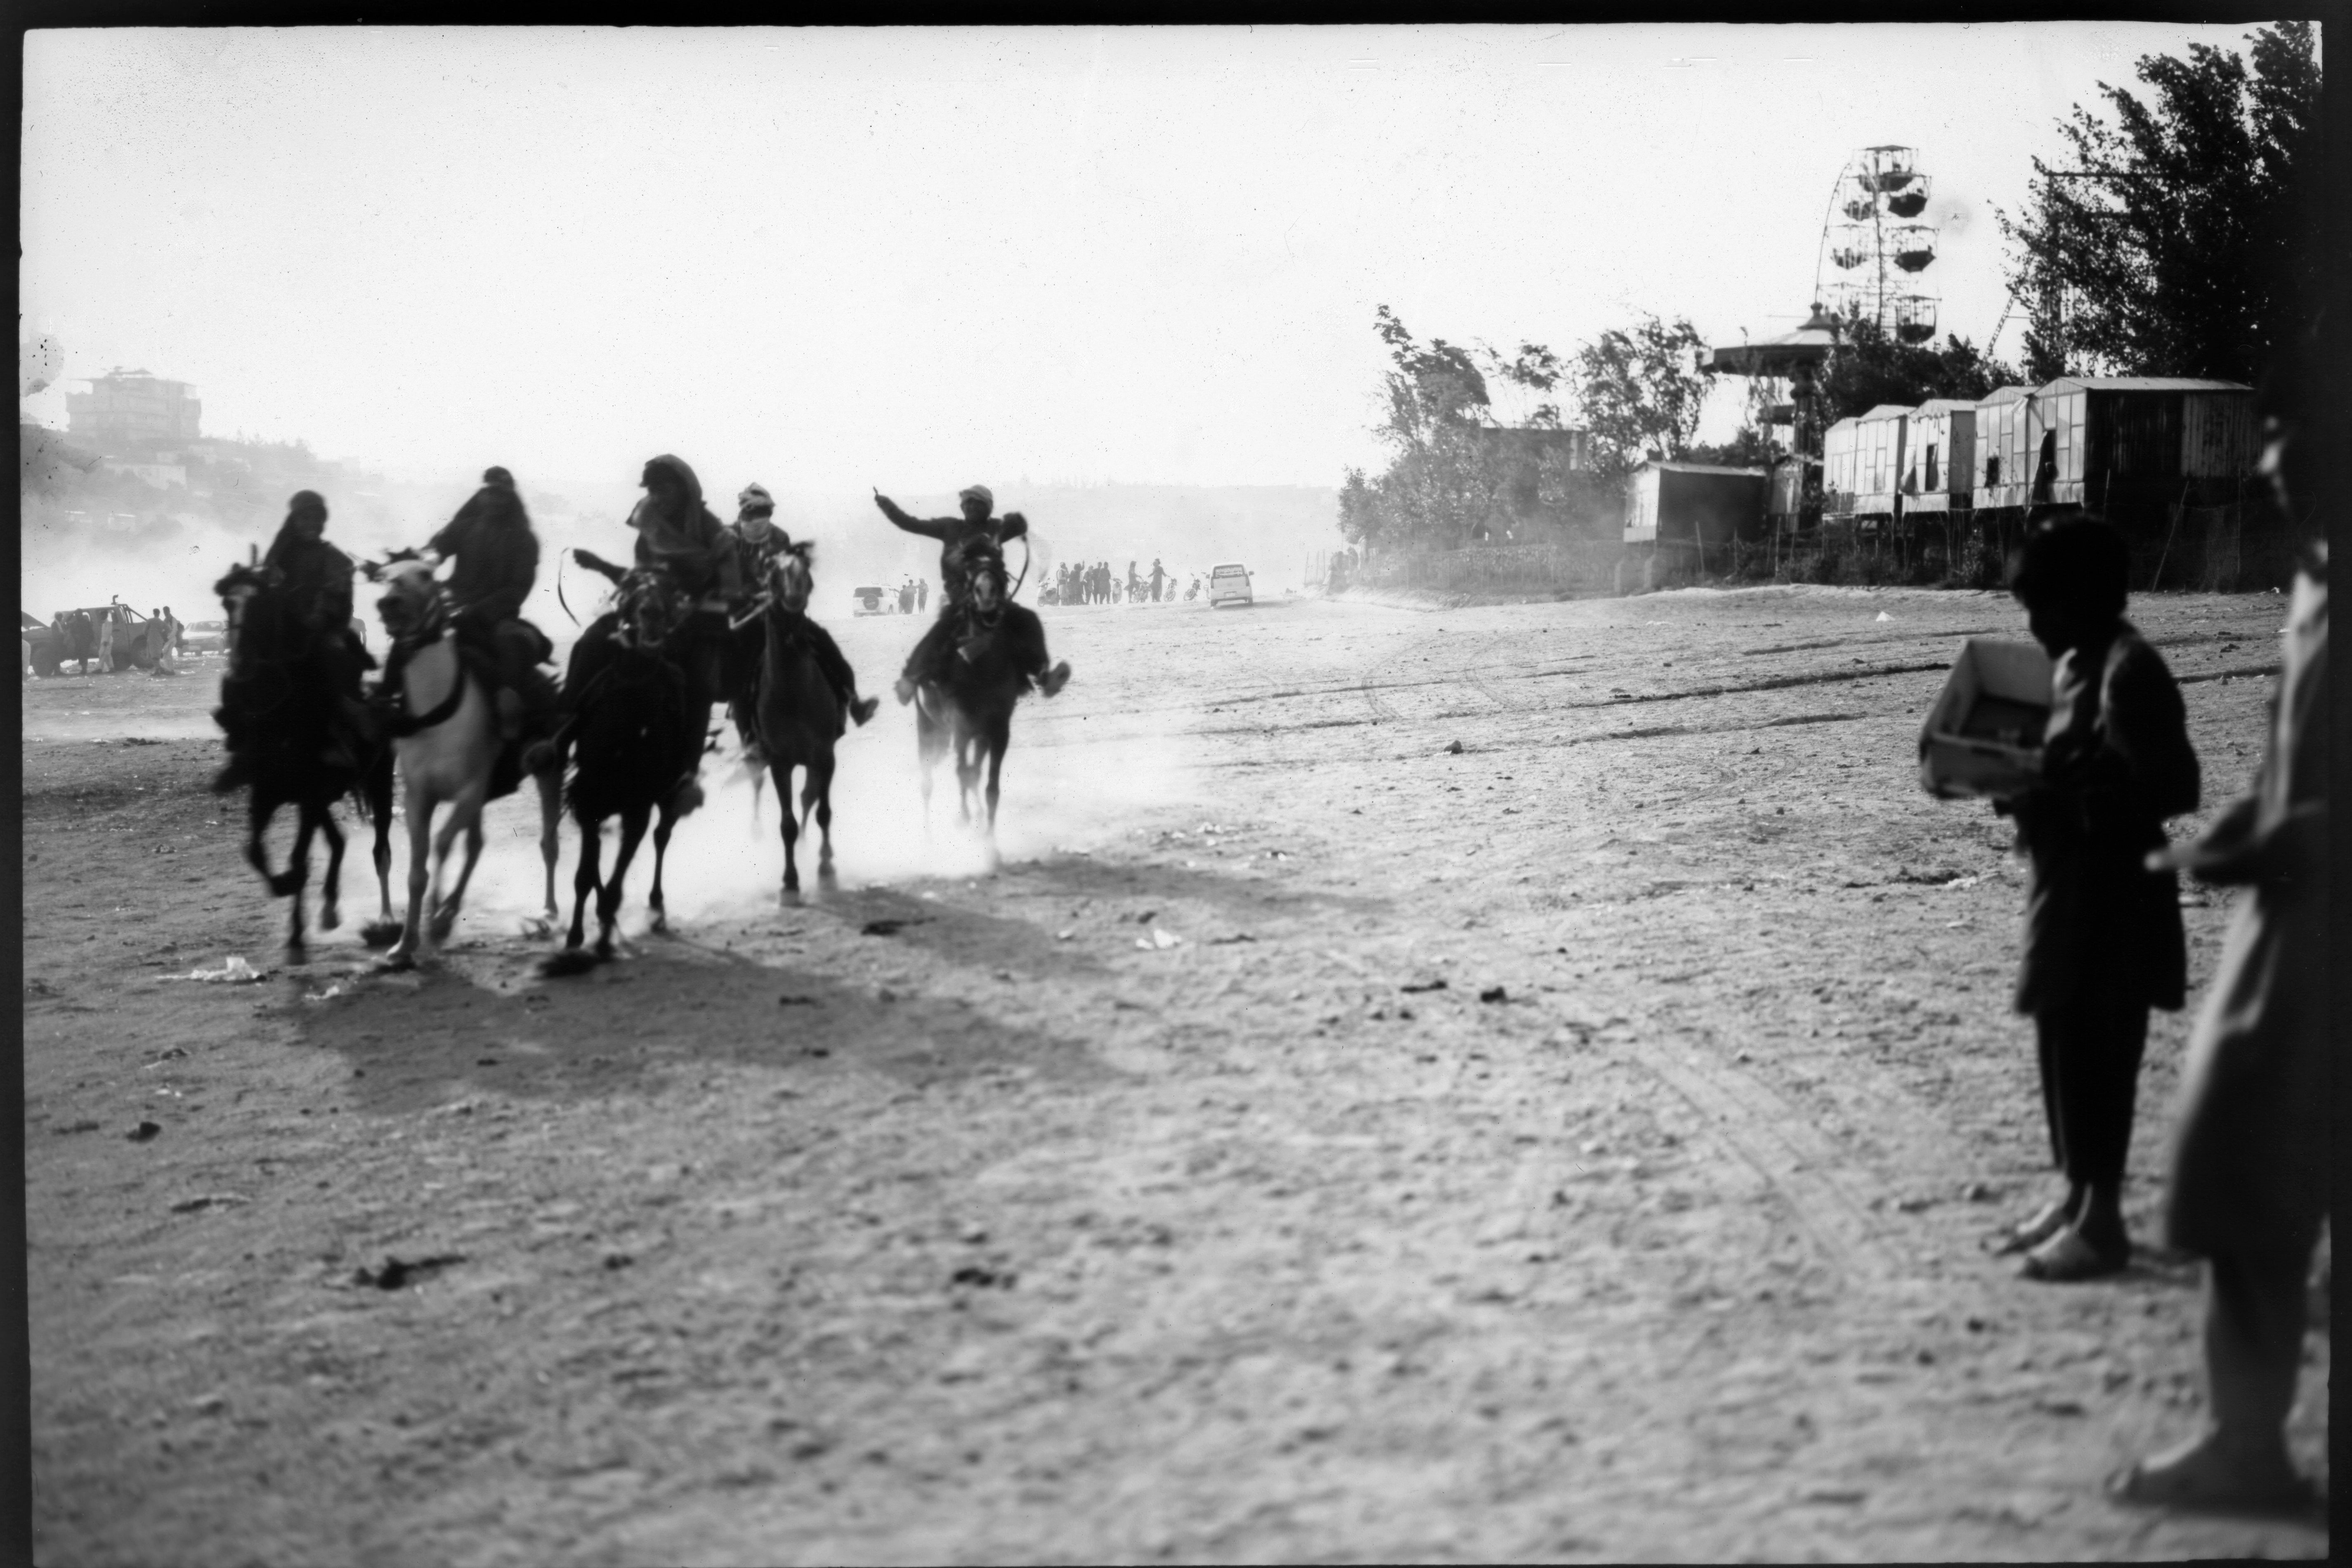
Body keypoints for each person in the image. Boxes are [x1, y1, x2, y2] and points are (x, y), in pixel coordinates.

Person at [2113, 342, 2327, 1511]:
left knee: (2251, 1188)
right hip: (2291, 930)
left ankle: (2248, 1448)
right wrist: (2234, 827)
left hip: (2313, 940)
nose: (2278, 466)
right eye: (2279, 444)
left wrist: (2248, 844)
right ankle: (2244, 1440)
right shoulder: (2312, 589)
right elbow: (2291, 766)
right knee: (2246, 1204)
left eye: (2306, 449)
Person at [1990, 513, 2199, 1282]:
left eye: (2044, 606)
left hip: (2115, 895)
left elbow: (2179, 783)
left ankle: (2103, 1219)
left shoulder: (2129, 669)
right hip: (2066, 885)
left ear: (2088, 598)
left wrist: (2070, 788)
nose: (2034, 624)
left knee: (2098, 1051)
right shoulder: (2074, 661)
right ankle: (2075, 1195)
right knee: (2058, 1032)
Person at [218, 491, 374, 786]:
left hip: (324, 632)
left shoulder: (336, 559)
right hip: (286, 632)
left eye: (316, 518)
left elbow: (336, 596)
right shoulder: (280, 555)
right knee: (240, 674)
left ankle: (342, 739)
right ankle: (242, 742)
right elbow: (264, 589)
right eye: (305, 517)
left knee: (336, 665)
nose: (311, 523)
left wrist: (318, 615)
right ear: (295, 519)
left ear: (323, 521)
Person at [873, 482, 1068, 703]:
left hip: (994, 598)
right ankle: (910, 678)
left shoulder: (996, 528)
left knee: (1027, 620)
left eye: (978, 503)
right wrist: (887, 505)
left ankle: (1043, 675)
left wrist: (1018, 522)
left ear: (988, 507)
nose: (971, 507)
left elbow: (1017, 527)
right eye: (968, 502)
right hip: (960, 597)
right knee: (943, 628)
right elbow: (910, 523)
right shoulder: (949, 527)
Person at [726, 482, 876, 734]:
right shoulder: (728, 538)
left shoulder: (779, 537)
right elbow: (725, 578)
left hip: (780, 612)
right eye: (755, 513)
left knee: (825, 645)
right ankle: (749, 740)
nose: (761, 519)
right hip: (744, 616)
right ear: (744, 511)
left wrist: (783, 594)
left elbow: (788, 576)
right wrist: (747, 596)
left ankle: (853, 702)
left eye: (766, 513)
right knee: (738, 670)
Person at [424, 466, 555, 741]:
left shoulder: (523, 538)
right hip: (453, 603)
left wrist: (481, 610)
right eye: (490, 493)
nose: (495, 500)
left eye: (501, 495)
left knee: (508, 641)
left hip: (496, 614)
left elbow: (519, 587)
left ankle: (508, 705)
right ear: (482, 494)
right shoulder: (463, 527)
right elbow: (436, 551)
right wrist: (417, 563)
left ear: (510, 498)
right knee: (414, 637)